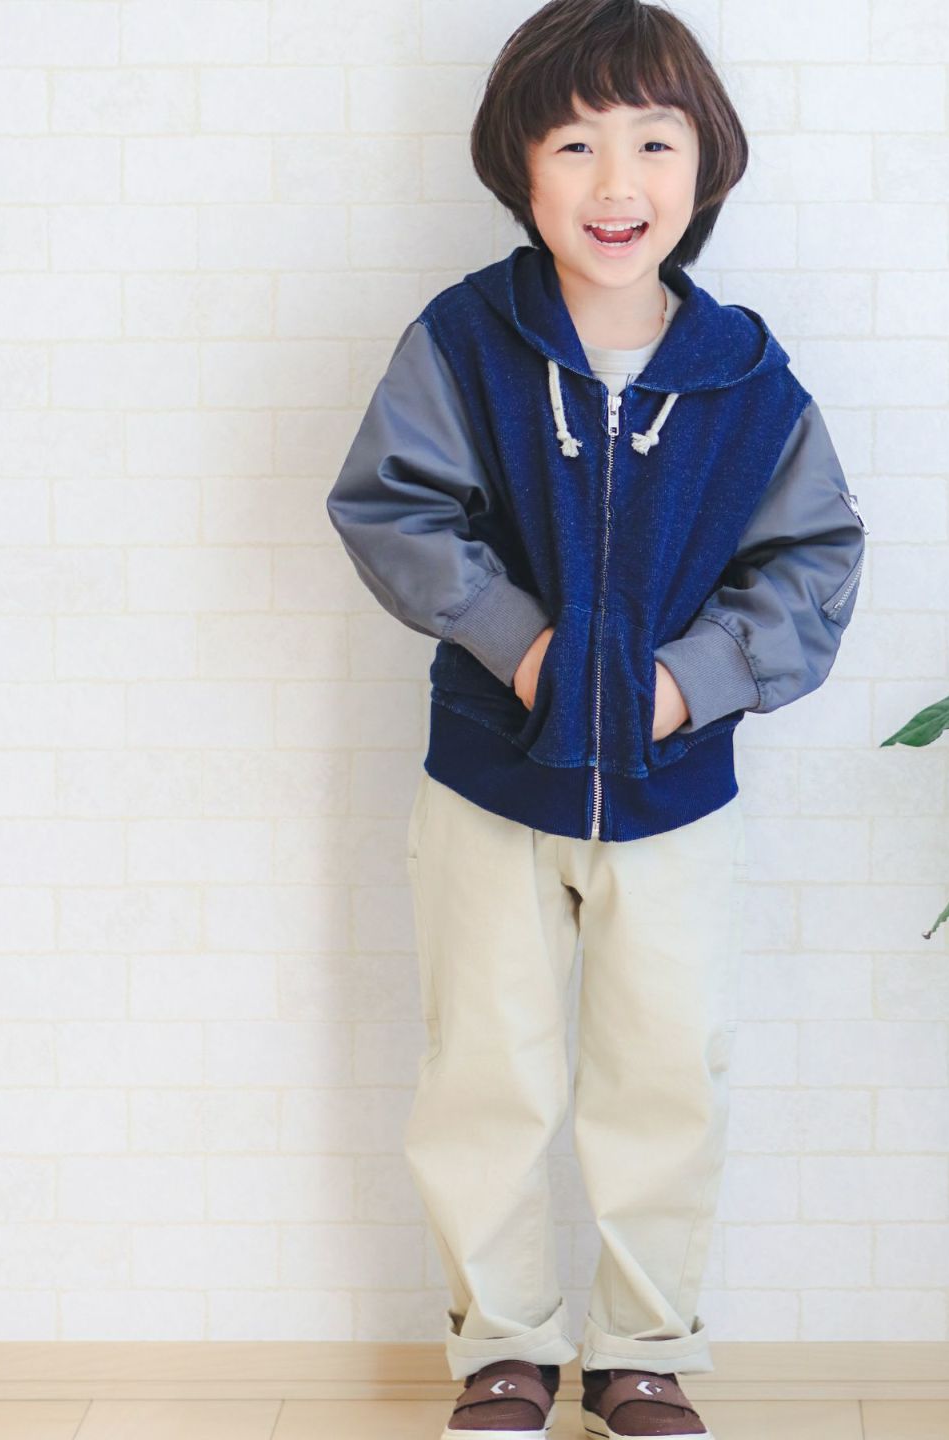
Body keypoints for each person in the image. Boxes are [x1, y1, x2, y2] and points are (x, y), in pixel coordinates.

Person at [326, 1, 867, 1435]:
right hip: (488, 783)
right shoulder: (466, 341)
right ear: (519, 166)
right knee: (484, 1073)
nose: (616, 181)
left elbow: (813, 559)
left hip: (678, 793)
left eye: (652, 142)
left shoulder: (746, 375)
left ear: (706, 163)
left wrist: (695, 681)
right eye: (575, 146)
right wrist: (521, 650)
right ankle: (502, 1349)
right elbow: (391, 506)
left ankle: (643, 1351)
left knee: (665, 1074)